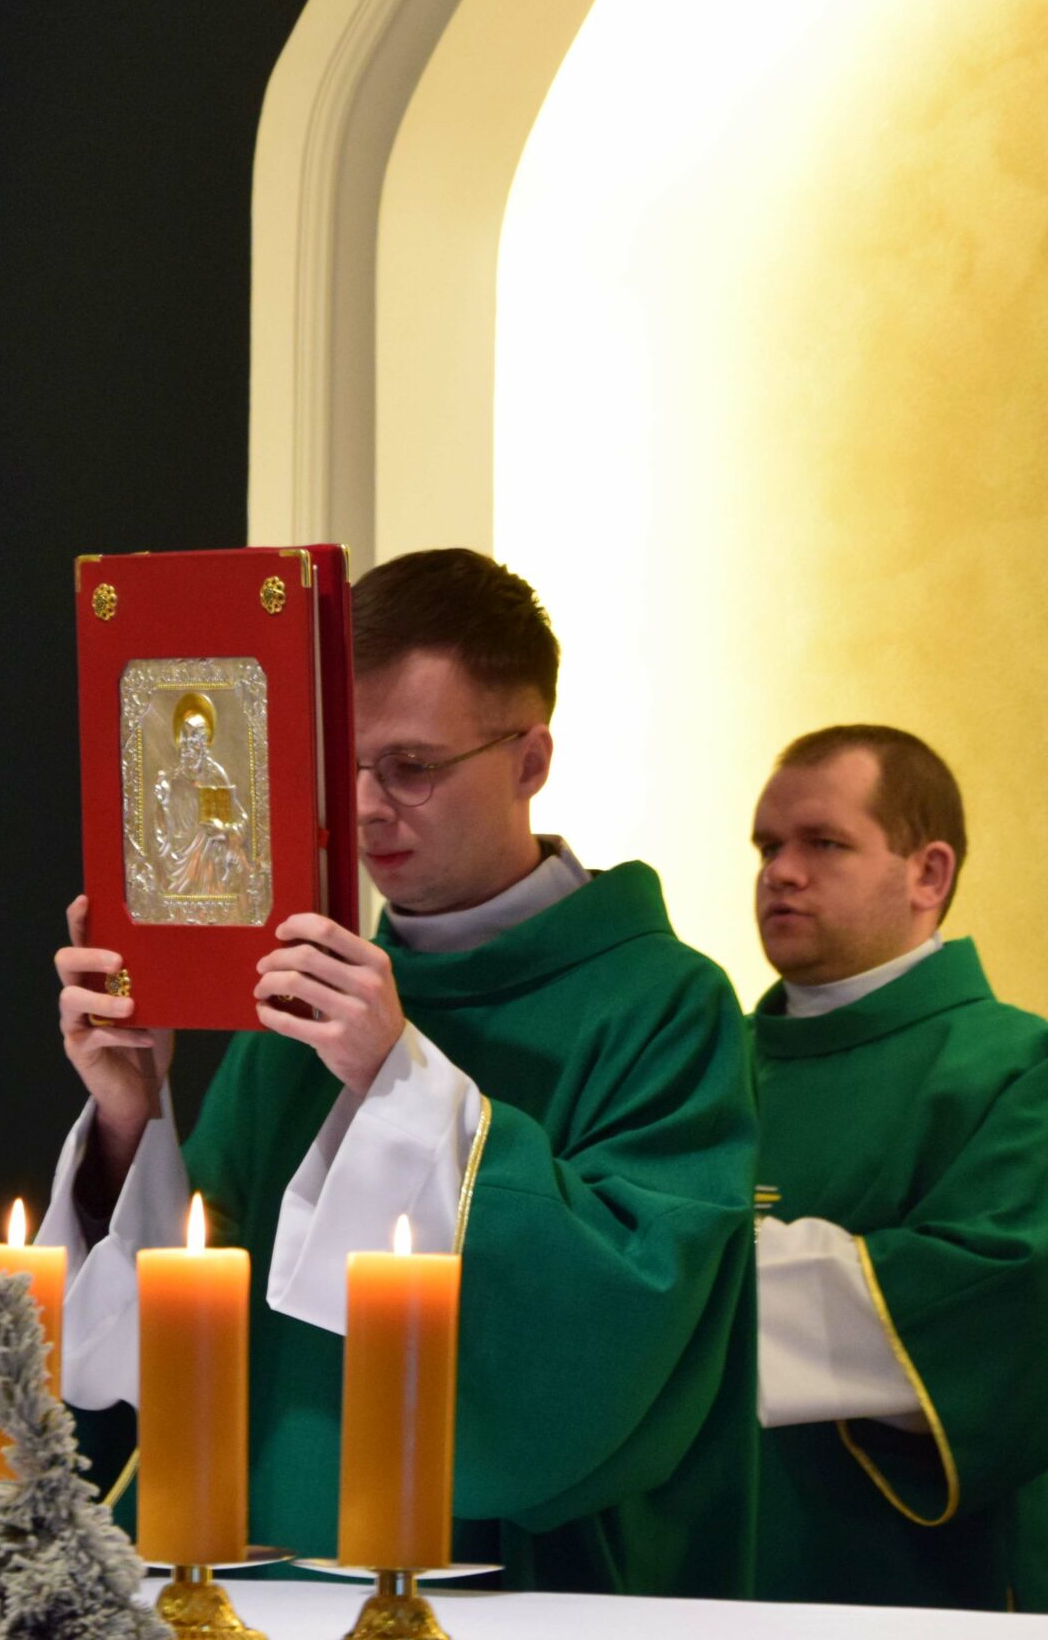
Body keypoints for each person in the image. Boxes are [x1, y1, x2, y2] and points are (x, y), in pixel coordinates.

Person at [37, 548, 760, 1595]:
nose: (367, 806)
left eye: (411, 766)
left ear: (530, 758)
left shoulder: (664, 1004)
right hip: (262, 1578)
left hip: (503, 1582)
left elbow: (620, 1324)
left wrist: (400, 1081)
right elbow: (185, 1325)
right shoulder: (297, 1000)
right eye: (345, 765)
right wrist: (129, 1118)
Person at [743, 725, 1048, 1611]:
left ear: (929, 874)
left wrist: (697, 1283)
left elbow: (1008, 1313)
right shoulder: (710, 1062)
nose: (781, 872)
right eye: (767, 847)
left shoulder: (1015, 1069)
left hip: (914, 1582)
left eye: (823, 843)